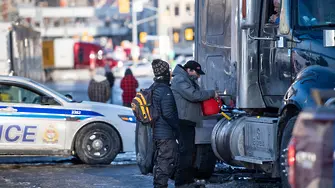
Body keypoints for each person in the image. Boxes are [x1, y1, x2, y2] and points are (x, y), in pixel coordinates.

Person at [171, 60, 218, 188]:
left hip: (188, 120)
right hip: (183, 121)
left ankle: (188, 180)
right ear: (189, 70)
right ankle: (181, 182)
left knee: (189, 151)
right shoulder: (180, 80)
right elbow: (194, 95)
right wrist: (211, 93)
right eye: (197, 73)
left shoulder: (187, 80)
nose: (198, 76)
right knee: (185, 152)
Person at [151, 59, 180, 188]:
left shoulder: (153, 88)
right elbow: (168, 114)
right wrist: (178, 126)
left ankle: (159, 184)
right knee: (165, 160)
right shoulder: (165, 91)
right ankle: (160, 186)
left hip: (156, 132)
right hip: (166, 133)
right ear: (165, 73)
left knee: (160, 160)